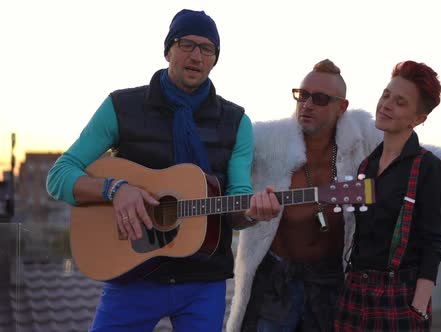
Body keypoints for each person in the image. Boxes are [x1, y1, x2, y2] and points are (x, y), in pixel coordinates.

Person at [46, 9, 279, 332]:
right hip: (132, 278)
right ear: (168, 49)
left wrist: (253, 213)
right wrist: (116, 190)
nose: (196, 55)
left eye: (207, 49)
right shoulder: (121, 107)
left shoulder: (236, 122)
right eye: (186, 44)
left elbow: (236, 198)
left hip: (203, 281)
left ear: (215, 60)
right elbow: (59, 176)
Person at [227, 59, 441, 332]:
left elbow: (409, 150)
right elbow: (226, 168)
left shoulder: (361, 138)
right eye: (302, 95)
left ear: (342, 107)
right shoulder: (266, 140)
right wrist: (249, 212)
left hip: (333, 282)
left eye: (321, 98)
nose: (307, 104)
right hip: (275, 282)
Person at [334, 61, 441, 331]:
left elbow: (434, 244)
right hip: (354, 294)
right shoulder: (366, 166)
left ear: (418, 119)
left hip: (400, 299)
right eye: (386, 95)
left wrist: (418, 307)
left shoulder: (429, 169)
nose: (386, 104)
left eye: (400, 102)